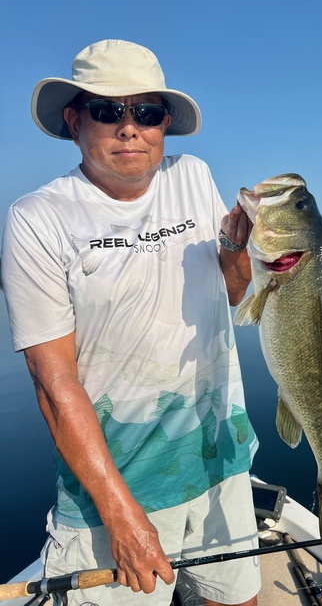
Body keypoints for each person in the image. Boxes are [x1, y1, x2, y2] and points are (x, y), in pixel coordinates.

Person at [1, 39, 261, 606]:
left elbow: (233, 295)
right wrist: (120, 513)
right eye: (107, 110)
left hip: (220, 458)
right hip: (115, 489)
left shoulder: (192, 175)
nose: (129, 128)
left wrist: (236, 249)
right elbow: (54, 382)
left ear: (163, 123)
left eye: (145, 113)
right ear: (74, 120)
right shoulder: (38, 218)